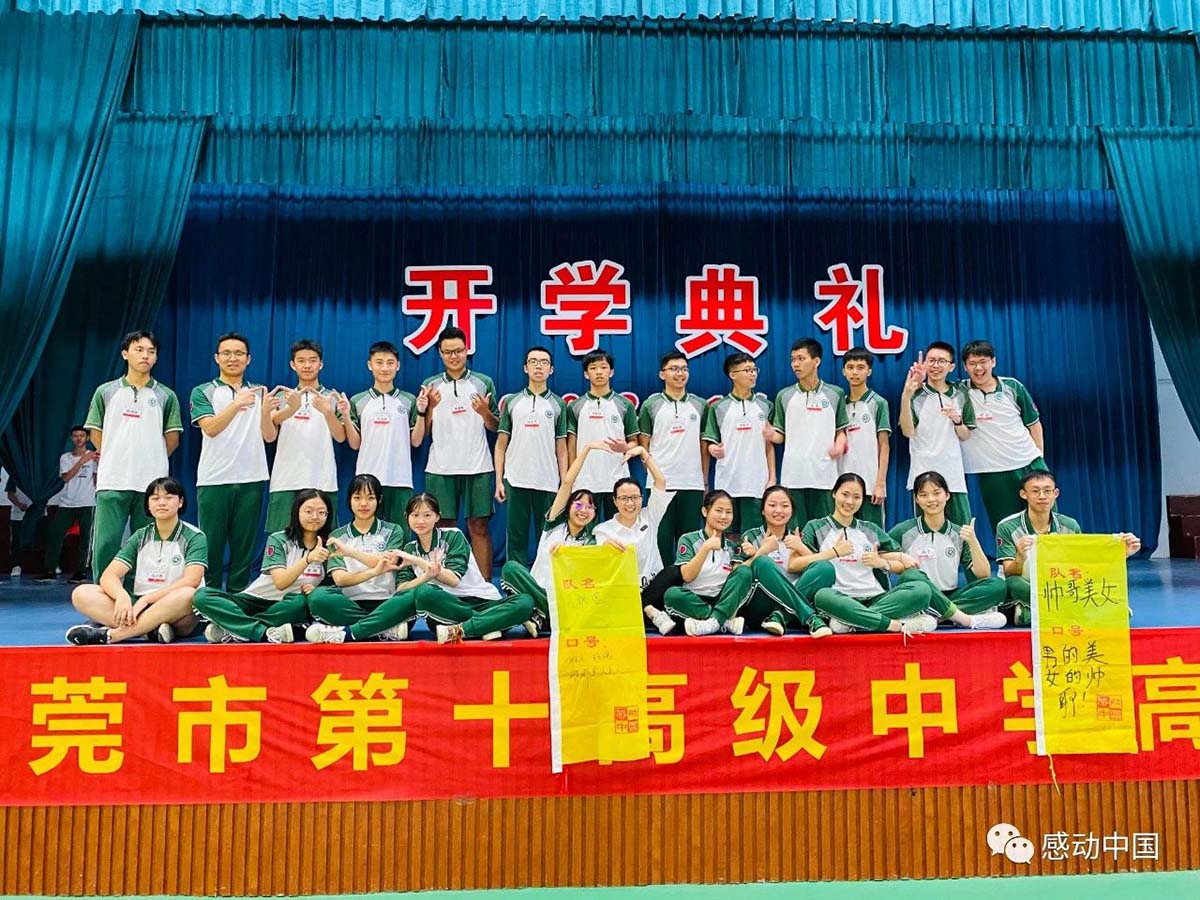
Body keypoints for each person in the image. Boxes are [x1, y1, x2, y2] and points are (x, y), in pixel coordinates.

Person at [85, 330, 183, 576]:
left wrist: (151, 458)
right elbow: (95, 432)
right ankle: (104, 591)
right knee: (106, 542)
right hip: (113, 478)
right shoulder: (106, 391)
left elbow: (172, 438)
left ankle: (139, 593)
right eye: (139, 350)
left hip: (151, 483)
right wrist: (114, 454)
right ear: (125, 353)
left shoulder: (166, 395)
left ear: (156, 357)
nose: (145, 356)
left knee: (147, 543)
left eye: (151, 351)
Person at [65, 477, 205, 645]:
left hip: (173, 606)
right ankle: (149, 630)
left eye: (168, 497)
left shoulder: (194, 536)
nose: (161, 503)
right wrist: (122, 596)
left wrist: (148, 599)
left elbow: (192, 580)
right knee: (81, 593)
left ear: (180, 502)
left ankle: (112, 635)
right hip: (137, 605)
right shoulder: (140, 536)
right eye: (155, 498)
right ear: (148, 505)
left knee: (188, 594)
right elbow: (109, 576)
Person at [996, 470, 1141, 626]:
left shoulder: (1070, 525)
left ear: (1055, 494)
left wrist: (1122, 553)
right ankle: (1081, 611)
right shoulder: (1007, 526)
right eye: (1035, 491)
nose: (1042, 496)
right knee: (1013, 584)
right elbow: (1009, 573)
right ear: (1024, 494)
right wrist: (1020, 557)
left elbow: (1082, 566)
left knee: (1089, 584)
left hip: (1059, 583)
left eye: (1047, 491)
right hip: (1025, 583)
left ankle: (1034, 613)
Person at [799, 473, 937, 635]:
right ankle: (896, 625)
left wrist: (882, 563)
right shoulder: (815, 527)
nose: (850, 501)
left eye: (856, 497)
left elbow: (901, 566)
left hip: (875, 597)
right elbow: (798, 564)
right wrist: (834, 552)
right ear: (834, 493)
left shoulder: (870, 529)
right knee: (822, 596)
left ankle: (851, 621)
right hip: (840, 599)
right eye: (845, 494)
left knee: (922, 589)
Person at [190, 332, 276, 592]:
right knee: (212, 546)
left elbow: (269, 436)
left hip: (252, 478)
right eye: (226, 353)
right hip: (214, 479)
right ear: (217, 358)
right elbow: (211, 428)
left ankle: (238, 597)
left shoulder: (260, 392)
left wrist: (266, 411)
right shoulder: (203, 391)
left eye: (239, 353)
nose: (233, 358)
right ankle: (211, 598)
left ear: (248, 359)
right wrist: (236, 404)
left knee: (244, 548)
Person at [500, 441, 610, 637]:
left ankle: (538, 615)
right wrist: (586, 449)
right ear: (568, 507)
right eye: (578, 504)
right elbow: (567, 482)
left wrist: (569, 554)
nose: (583, 510)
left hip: (566, 601)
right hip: (539, 592)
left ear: (595, 513)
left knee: (523, 603)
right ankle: (541, 614)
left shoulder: (591, 541)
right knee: (511, 569)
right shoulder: (553, 527)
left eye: (590, 507)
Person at [193, 489, 331, 643]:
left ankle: (234, 628)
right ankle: (263, 632)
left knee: (300, 604)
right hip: (256, 599)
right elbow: (281, 582)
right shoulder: (278, 540)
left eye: (321, 512)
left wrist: (315, 591)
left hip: (286, 606)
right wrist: (307, 559)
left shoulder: (330, 546)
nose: (314, 517)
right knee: (202, 596)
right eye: (308, 511)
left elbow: (332, 587)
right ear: (296, 512)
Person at [397, 493, 534, 644]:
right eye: (415, 515)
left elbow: (453, 580)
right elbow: (401, 589)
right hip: (447, 607)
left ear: (437, 517)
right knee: (424, 594)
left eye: (427, 515)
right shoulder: (409, 549)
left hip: (481, 601)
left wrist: (418, 561)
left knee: (525, 602)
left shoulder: (453, 536)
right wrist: (425, 577)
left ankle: (462, 630)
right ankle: (490, 624)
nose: (420, 521)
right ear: (406, 517)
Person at [304, 474, 427, 643]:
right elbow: (340, 580)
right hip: (350, 604)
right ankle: (383, 628)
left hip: (388, 603)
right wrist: (374, 571)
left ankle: (347, 632)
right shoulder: (337, 536)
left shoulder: (394, 530)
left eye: (370, 498)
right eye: (357, 498)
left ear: (379, 500)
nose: (363, 504)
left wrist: (349, 552)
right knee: (317, 597)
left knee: (414, 595)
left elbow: (388, 563)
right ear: (349, 500)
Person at [421, 326, 500, 580]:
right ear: (440, 354)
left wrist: (485, 413)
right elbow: (423, 432)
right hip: (440, 467)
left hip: (478, 466)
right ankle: (447, 583)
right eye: (447, 352)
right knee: (444, 529)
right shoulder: (430, 385)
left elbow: (496, 426)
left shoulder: (483, 382)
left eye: (458, 351)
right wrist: (429, 408)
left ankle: (484, 587)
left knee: (479, 527)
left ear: (467, 350)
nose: (453, 356)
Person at [888, 472, 1008, 630]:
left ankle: (935, 615)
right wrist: (899, 557)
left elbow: (983, 574)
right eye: (923, 495)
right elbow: (881, 554)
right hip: (920, 596)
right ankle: (963, 618)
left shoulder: (958, 533)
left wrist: (973, 541)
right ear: (916, 499)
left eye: (936, 493)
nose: (931, 499)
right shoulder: (903, 530)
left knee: (997, 585)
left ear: (947, 495)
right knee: (912, 575)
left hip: (951, 594)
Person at [959, 340, 1048, 531]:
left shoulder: (1012, 387)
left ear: (993, 362)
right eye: (972, 363)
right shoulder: (960, 391)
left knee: (1045, 522)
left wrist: (1039, 458)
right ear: (965, 367)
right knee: (1006, 527)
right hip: (993, 472)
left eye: (983, 361)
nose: (978, 368)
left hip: (1029, 464)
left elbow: (1034, 425)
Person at [495, 346, 568, 568]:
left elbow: (562, 447)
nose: (538, 366)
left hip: (548, 480)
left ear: (551, 369)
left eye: (544, 362)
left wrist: (565, 483)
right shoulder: (512, 402)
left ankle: (546, 580)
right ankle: (514, 579)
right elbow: (501, 444)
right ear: (525, 368)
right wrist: (499, 480)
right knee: (516, 536)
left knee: (548, 535)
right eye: (533, 361)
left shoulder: (558, 404)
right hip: (516, 478)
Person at [591, 445, 676, 632]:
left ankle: (646, 609)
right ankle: (650, 612)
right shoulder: (603, 531)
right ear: (615, 501)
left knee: (673, 573)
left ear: (642, 498)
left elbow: (660, 481)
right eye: (624, 498)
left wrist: (644, 453)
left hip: (653, 588)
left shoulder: (650, 516)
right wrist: (604, 548)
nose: (630, 503)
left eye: (635, 497)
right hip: (622, 592)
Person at [767, 338, 848, 530]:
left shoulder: (835, 394)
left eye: (801, 358)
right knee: (796, 532)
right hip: (794, 475)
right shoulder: (784, 396)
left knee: (824, 532)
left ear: (816, 361)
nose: (795, 364)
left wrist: (839, 445)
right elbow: (780, 435)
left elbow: (841, 431)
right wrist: (770, 434)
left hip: (825, 475)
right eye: (793, 359)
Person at [266, 339, 345, 533]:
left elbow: (340, 437)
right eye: (301, 361)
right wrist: (289, 409)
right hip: (286, 479)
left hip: (322, 478)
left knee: (323, 539)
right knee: (282, 537)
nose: (307, 365)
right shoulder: (281, 396)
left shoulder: (331, 397)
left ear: (321, 364)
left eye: (312, 360)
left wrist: (328, 412)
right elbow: (269, 436)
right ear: (292, 364)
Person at [344, 341, 428, 523]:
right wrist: (344, 415)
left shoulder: (409, 400)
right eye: (379, 362)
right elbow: (355, 444)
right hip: (367, 480)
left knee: (401, 533)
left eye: (390, 363)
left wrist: (422, 412)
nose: (384, 368)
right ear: (370, 365)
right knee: (368, 532)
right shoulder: (358, 401)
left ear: (398, 366)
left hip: (400, 479)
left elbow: (416, 441)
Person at [639, 352, 708, 569]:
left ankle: (686, 582)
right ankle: (662, 582)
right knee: (660, 538)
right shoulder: (651, 404)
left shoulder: (700, 405)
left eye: (684, 369)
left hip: (692, 483)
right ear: (662, 374)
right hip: (660, 484)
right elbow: (644, 445)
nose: (680, 374)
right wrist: (652, 477)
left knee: (689, 539)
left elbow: (703, 446)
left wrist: (704, 480)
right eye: (674, 369)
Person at [740, 486, 835, 638]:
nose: (779, 510)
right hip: (760, 608)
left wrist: (801, 547)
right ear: (763, 510)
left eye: (785, 506)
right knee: (763, 562)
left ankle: (781, 615)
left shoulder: (798, 537)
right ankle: (810, 617)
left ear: (792, 510)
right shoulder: (750, 536)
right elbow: (737, 574)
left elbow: (815, 567)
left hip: (793, 613)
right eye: (772, 505)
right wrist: (762, 551)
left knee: (825, 567)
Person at [898, 341, 975, 526]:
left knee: (962, 529)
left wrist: (957, 420)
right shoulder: (916, 393)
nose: (936, 365)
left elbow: (965, 435)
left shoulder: (961, 393)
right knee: (926, 529)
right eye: (931, 360)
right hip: (923, 471)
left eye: (942, 361)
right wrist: (906, 395)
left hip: (952, 472)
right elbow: (907, 431)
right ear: (924, 364)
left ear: (951, 366)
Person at [662, 490, 755, 636]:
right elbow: (687, 576)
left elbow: (738, 579)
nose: (724, 516)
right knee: (672, 595)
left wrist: (756, 554)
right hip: (695, 598)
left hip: (724, 600)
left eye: (729, 512)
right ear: (705, 511)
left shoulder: (733, 546)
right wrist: (705, 548)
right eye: (718, 511)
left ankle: (712, 623)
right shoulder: (688, 539)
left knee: (744, 572)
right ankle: (723, 621)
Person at [703, 351, 774, 533]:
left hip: (756, 482)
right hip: (728, 480)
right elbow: (710, 441)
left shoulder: (765, 406)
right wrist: (713, 449)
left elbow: (769, 445)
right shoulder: (718, 407)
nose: (753, 374)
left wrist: (772, 477)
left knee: (754, 535)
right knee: (727, 534)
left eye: (754, 370)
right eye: (747, 370)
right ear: (733, 374)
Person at [566, 350, 640, 519]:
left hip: (616, 479)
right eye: (593, 368)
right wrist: (572, 476)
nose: (599, 372)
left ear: (611, 372)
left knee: (616, 529)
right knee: (585, 529)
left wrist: (625, 447)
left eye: (603, 367)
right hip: (585, 480)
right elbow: (571, 444)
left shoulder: (625, 405)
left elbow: (634, 442)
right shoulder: (575, 406)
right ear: (586, 374)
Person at [37, 426, 98, 583]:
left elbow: (97, 480)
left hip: (87, 502)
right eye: (75, 436)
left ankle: (81, 571)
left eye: (82, 435)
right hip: (66, 503)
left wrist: (97, 463)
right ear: (71, 438)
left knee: (86, 538)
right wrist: (81, 462)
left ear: (87, 438)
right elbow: (65, 478)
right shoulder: (65, 457)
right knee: (55, 534)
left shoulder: (93, 456)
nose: (78, 438)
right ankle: (49, 570)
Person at [838, 348, 891, 528]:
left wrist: (880, 483)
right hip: (843, 484)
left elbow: (884, 446)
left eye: (860, 367)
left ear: (869, 371)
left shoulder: (879, 403)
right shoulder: (839, 404)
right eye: (850, 367)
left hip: (870, 485)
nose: (855, 372)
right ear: (843, 371)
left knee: (873, 536)